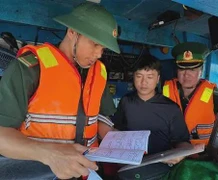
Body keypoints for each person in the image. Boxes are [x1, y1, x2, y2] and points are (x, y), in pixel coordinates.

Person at [0, 2, 119, 179]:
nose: (99, 54)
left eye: (103, 48)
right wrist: (50, 154)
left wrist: (118, 140)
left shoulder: (99, 72)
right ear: (72, 32)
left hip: (85, 172)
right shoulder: (31, 67)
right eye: (95, 44)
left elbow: (100, 117)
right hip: (39, 173)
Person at [113, 55, 191, 179]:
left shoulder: (171, 108)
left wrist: (180, 154)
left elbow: (183, 142)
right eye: (139, 76)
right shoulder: (126, 102)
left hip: (159, 170)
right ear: (133, 77)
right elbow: (116, 130)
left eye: (150, 77)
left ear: (158, 79)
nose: (144, 82)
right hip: (128, 168)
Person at [163, 42, 218, 145]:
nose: (187, 75)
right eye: (182, 69)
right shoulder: (163, 91)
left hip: (202, 155)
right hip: (171, 151)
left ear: (201, 71)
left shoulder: (215, 95)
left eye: (193, 69)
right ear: (177, 71)